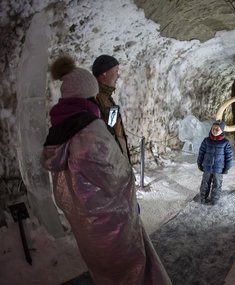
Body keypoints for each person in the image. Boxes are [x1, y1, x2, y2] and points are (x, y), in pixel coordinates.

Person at [42, 55, 172, 285]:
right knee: (127, 266)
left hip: (86, 218)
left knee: (102, 267)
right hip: (108, 217)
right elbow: (115, 175)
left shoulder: (60, 127)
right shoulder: (90, 131)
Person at [92, 54, 131, 163]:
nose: (118, 75)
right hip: (110, 162)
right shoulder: (97, 98)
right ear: (104, 73)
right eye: (116, 70)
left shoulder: (105, 97)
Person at [197, 120, 233, 205]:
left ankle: (215, 199)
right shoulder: (206, 141)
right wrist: (199, 163)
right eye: (213, 128)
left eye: (218, 129)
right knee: (205, 183)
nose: (215, 131)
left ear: (222, 130)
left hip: (218, 168)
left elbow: (229, 156)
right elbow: (201, 152)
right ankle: (203, 197)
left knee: (217, 184)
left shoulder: (225, 143)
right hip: (207, 167)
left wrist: (227, 167)